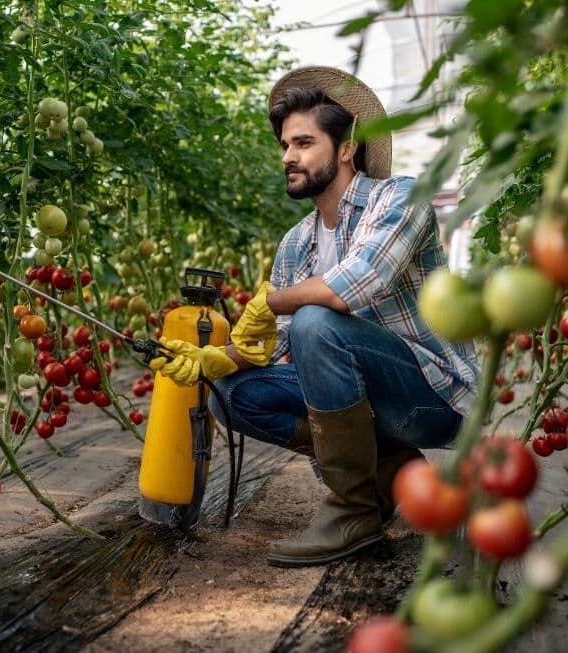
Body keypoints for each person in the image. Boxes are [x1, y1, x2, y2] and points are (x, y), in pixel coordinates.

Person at [151, 66, 479, 567]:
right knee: (233, 397)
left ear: (346, 148)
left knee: (316, 321)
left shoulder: (400, 198)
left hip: (430, 398)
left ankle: (351, 512)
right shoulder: (296, 244)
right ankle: (383, 474)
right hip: (362, 400)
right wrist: (215, 359)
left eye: (303, 143)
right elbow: (283, 349)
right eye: (285, 145)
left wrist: (274, 301)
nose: (288, 157)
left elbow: (358, 284)